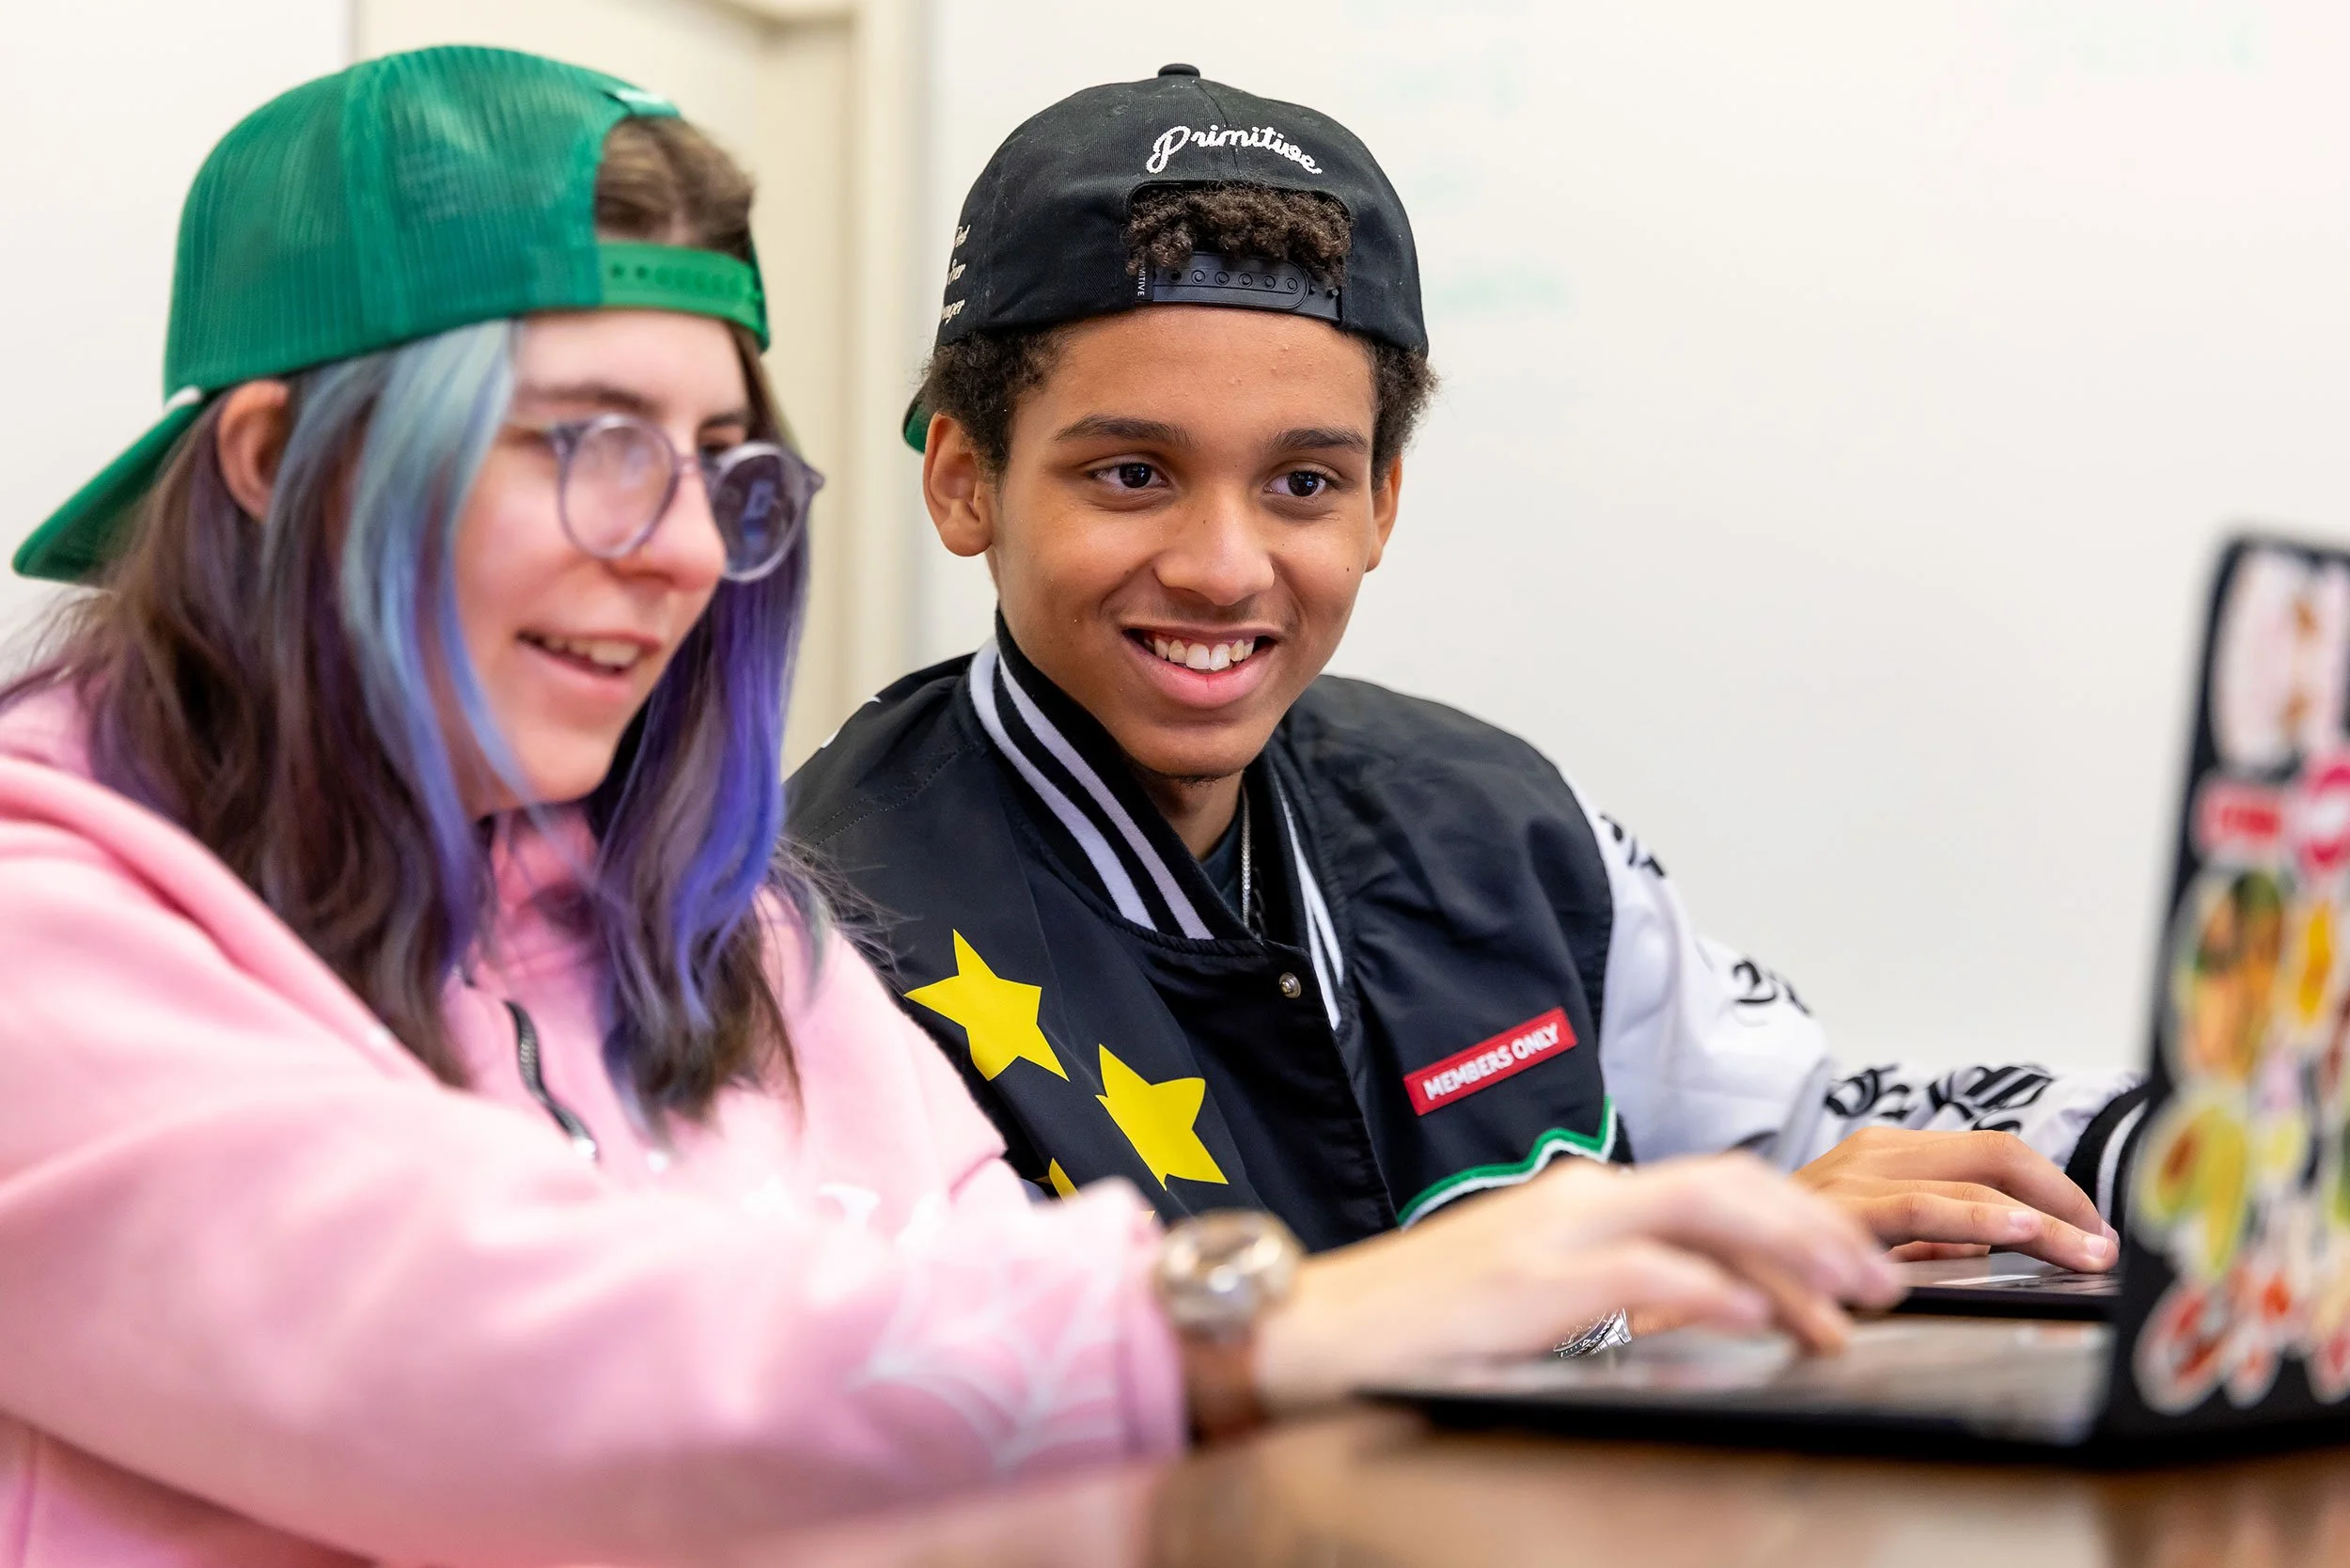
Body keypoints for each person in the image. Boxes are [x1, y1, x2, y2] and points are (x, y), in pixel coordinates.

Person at [0, 45, 1899, 1568]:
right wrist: (1280, 1322)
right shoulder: (45, 928)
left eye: (719, 470)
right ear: (273, 462)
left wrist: (1562, 1317)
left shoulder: (729, 939)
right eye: (586, 449)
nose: (674, 553)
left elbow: (975, 1317)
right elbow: (505, 1362)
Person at [789, 66, 2146, 1268]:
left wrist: (2177, 1149)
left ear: (1383, 503)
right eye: (1132, 474)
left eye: (1303, 482)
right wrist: (1637, 1304)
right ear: (966, 485)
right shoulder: (804, 933)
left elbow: (1811, 1131)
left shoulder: (1489, 816)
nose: (1222, 564)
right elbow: (1026, 1418)